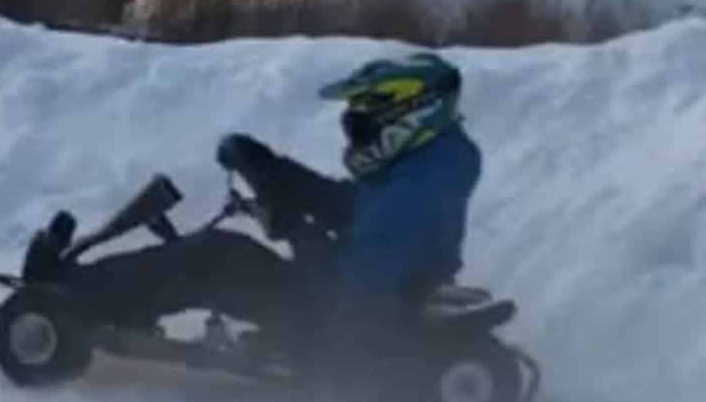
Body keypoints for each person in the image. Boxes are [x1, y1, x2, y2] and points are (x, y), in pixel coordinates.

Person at [52, 52, 481, 364]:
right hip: (361, 297)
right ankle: (94, 291)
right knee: (223, 255)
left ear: (407, 114)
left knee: (217, 258)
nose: (355, 131)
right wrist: (281, 174)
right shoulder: (424, 166)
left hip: (348, 321)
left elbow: (358, 281)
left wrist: (296, 228)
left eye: (363, 120)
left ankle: (76, 303)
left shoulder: (421, 185)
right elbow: (357, 210)